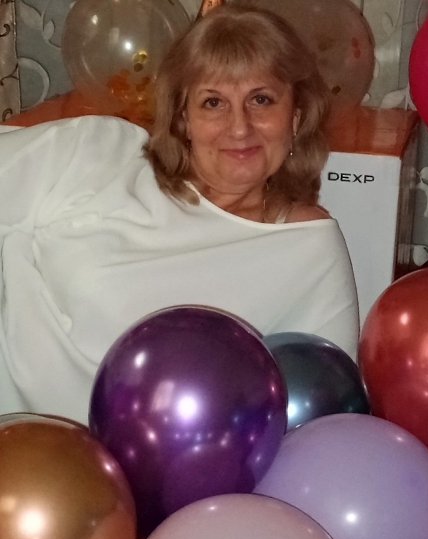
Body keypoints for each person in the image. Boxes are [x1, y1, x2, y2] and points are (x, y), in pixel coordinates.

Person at [0, 3, 359, 424]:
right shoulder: (98, 152)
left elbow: (320, 414)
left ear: (295, 118)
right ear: (184, 118)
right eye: (213, 102)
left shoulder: (309, 250)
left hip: (152, 462)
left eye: (261, 100)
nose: (239, 127)